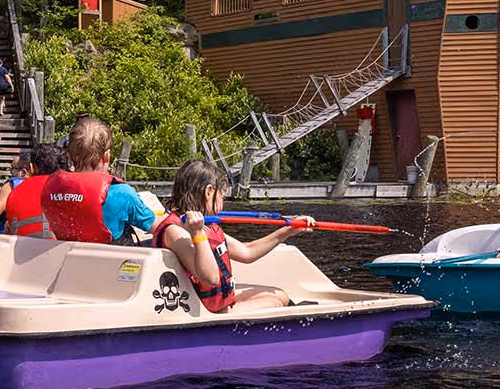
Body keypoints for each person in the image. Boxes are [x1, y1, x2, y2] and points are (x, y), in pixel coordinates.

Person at [150, 159, 302, 311]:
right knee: (274, 303)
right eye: (221, 196)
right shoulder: (176, 232)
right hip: (205, 309)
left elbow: (247, 252)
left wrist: (287, 231)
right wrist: (197, 233)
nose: (222, 203)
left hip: (219, 299)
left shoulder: (207, 225)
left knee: (281, 295)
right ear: (209, 192)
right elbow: (211, 278)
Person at [38, 115, 158, 243]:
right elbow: (158, 227)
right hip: (114, 261)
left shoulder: (52, 190)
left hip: (71, 258)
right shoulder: (121, 193)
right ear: (106, 155)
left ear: (68, 155)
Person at [0, 142, 63, 235]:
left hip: (15, 241)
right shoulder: (61, 188)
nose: (11, 173)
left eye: (13, 169)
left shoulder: (14, 185)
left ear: (29, 169)